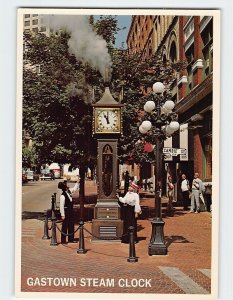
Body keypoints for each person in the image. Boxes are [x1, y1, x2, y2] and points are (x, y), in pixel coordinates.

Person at [58, 179, 80, 244]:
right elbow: (61, 206)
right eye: (66, 185)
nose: (68, 185)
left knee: (71, 225)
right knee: (65, 226)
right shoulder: (62, 196)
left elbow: (74, 189)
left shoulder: (69, 191)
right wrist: (62, 215)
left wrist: (77, 182)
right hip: (66, 211)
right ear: (64, 187)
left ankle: (71, 239)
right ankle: (63, 240)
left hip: (70, 211)